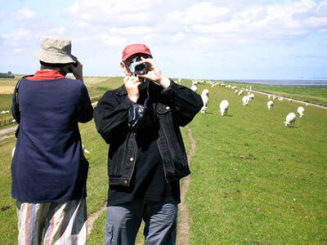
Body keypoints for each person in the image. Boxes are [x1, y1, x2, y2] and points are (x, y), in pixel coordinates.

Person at [93, 43, 203, 244]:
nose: (137, 66)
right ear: (123, 67)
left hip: (164, 191)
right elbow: (106, 129)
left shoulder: (164, 95)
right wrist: (131, 100)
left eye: (142, 61)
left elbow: (194, 105)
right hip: (124, 192)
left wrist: (161, 79)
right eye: (131, 62)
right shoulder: (113, 99)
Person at [11, 36, 93, 244]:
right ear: (68, 63)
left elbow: (18, 117)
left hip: (28, 176)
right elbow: (86, 116)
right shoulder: (75, 89)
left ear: (42, 59)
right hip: (67, 176)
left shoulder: (22, 86)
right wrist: (79, 77)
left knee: (28, 236)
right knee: (64, 237)